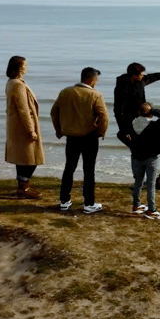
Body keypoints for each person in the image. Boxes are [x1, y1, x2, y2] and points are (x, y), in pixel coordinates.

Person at [51, 67, 109, 213]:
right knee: (89, 171)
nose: (96, 82)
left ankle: (64, 200)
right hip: (89, 137)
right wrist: (101, 132)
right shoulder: (95, 95)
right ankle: (89, 203)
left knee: (69, 168)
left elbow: (54, 112)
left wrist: (59, 129)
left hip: (71, 137)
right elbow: (104, 116)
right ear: (91, 79)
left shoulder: (66, 92)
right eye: (96, 79)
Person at [113, 63, 160, 147]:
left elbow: (154, 76)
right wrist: (124, 129)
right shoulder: (121, 88)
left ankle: (143, 153)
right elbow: (117, 110)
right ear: (134, 76)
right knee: (129, 140)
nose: (143, 76)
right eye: (141, 75)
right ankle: (136, 152)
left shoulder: (140, 81)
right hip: (130, 120)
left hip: (143, 117)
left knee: (147, 141)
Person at [5, 56, 45, 199]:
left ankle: (23, 186)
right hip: (23, 126)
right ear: (18, 68)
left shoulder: (12, 82)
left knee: (23, 157)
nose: (26, 67)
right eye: (25, 65)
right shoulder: (18, 84)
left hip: (16, 125)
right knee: (31, 158)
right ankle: (23, 187)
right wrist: (30, 130)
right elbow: (23, 109)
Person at [129, 102, 160, 220]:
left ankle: (136, 205)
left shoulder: (133, 123)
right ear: (150, 113)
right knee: (151, 184)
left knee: (138, 182)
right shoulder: (153, 125)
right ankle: (151, 210)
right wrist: (153, 110)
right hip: (151, 158)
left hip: (136, 156)